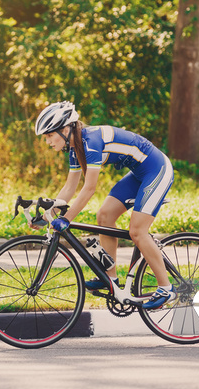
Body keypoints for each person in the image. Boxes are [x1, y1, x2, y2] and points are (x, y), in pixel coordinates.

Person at [34, 101, 175, 310]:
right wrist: (49, 214)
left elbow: (90, 188)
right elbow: (70, 188)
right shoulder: (75, 148)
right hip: (138, 174)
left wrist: (67, 218)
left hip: (157, 169)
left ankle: (166, 288)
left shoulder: (90, 142)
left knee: (137, 231)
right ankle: (110, 279)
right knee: (105, 216)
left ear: (65, 129)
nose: (47, 142)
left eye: (49, 136)